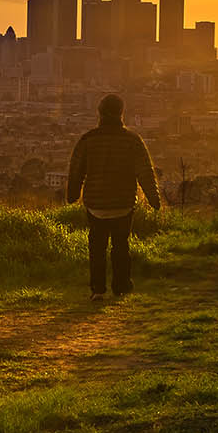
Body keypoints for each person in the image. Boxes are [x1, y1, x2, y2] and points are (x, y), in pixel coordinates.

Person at [66, 94, 160, 301]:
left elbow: (76, 171)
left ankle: (98, 290)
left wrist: (72, 196)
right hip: (123, 204)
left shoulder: (88, 139)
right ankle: (121, 287)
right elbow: (145, 172)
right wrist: (154, 199)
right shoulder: (132, 140)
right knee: (121, 246)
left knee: (97, 247)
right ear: (121, 113)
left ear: (99, 113)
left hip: (95, 205)